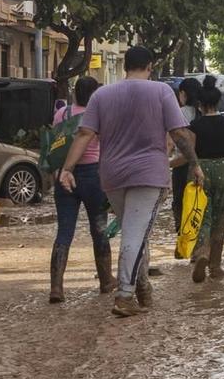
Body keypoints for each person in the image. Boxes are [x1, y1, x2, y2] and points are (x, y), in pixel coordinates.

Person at [58, 46, 201, 317]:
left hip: (112, 175)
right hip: (148, 175)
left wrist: (67, 168)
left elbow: (85, 133)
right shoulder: (161, 92)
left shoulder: (102, 94)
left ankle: (143, 286)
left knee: (135, 231)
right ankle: (125, 294)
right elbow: (178, 133)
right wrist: (194, 163)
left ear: (125, 66)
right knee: (135, 233)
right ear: (149, 66)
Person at [46, 76, 112, 303]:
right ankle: (105, 281)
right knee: (99, 229)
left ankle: (56, 287)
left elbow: (53, 143)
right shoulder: (100, 114)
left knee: (64, 231)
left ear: (75, 92)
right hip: (94, 175)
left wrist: (57, 171)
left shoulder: (62, 114)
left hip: (65, 175)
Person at [178, 84, 224, 283]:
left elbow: (190, 151)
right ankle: (215, 265)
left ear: (200, 104)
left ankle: (202, 251)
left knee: (201, 213)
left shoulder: (195, 126)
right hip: (223, 168)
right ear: (218, 102)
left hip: (200, 170)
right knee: (221, 216)